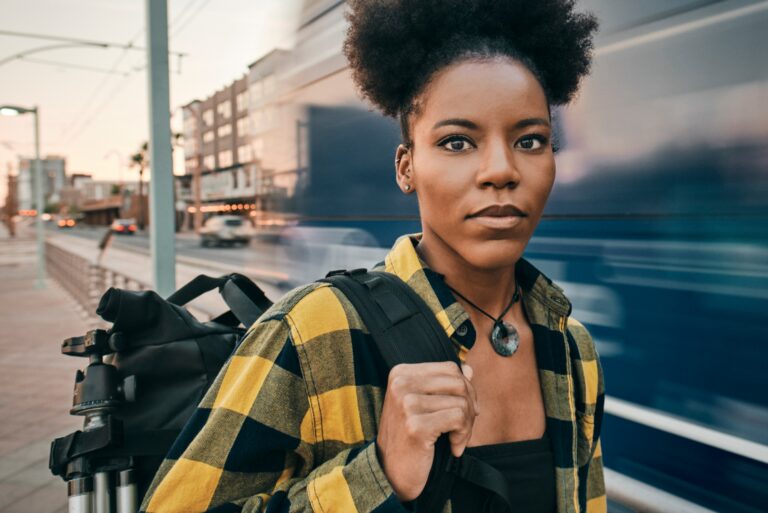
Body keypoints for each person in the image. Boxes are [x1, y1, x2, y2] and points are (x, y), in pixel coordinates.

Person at [141, 0, 604, 512]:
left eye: (531, 140)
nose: (501, 169)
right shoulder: (313, 333)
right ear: (406, 167)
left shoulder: (572, 348)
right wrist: (379, 475)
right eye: (456, 142)